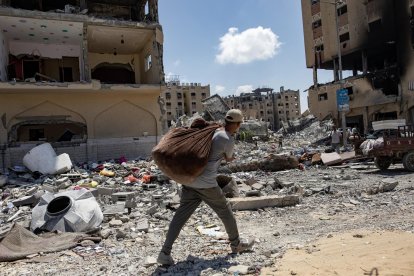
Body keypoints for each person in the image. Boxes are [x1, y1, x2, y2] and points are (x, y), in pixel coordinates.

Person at [157, 109, 255, 266]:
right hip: (207, 184)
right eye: (239, 125)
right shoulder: (227, 138)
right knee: (226, 211)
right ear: (237, 124)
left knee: (180, 216)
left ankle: (164, 253)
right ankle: (236, 244)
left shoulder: (213, 130)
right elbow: (229, 159)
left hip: (190, 180)